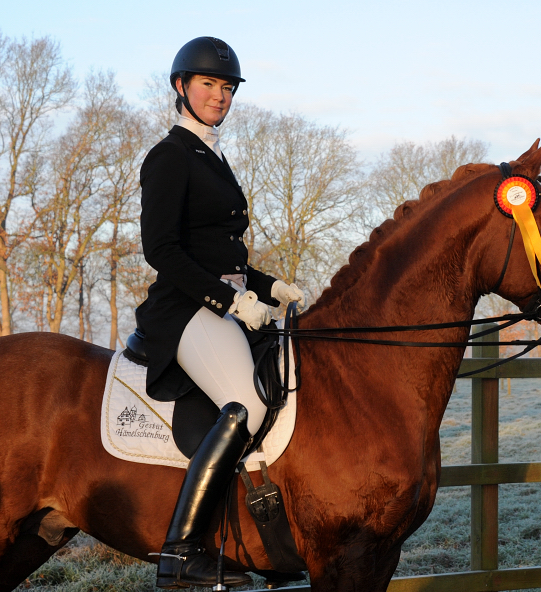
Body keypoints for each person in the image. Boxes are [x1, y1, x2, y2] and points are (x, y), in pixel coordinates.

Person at [136, 36, 304, 589]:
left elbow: (220, 252)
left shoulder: (212, 156)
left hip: (223, 305)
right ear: (181, 87)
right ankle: (182, 551)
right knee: (248, 405)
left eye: (227, 87)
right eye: (209, 84)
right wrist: (230, 300)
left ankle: (265, 540)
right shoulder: (169, 156)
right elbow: (162, 250)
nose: (220, 95)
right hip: (184, 311)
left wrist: (269, 285)